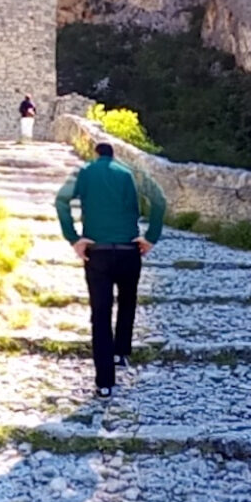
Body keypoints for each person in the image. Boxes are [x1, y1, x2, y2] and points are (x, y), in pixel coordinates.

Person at [54, 141, 166, 398]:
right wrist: (151, 237)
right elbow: (159, 200)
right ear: (115, 155)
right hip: (129, 250)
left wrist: (74, 238)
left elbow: (61, 201)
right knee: (127, 301)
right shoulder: (131, 172)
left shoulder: (84, 172)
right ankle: (121, 352)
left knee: (100, 315)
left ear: (95, 154)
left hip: (98, 251)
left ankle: (105, 382)